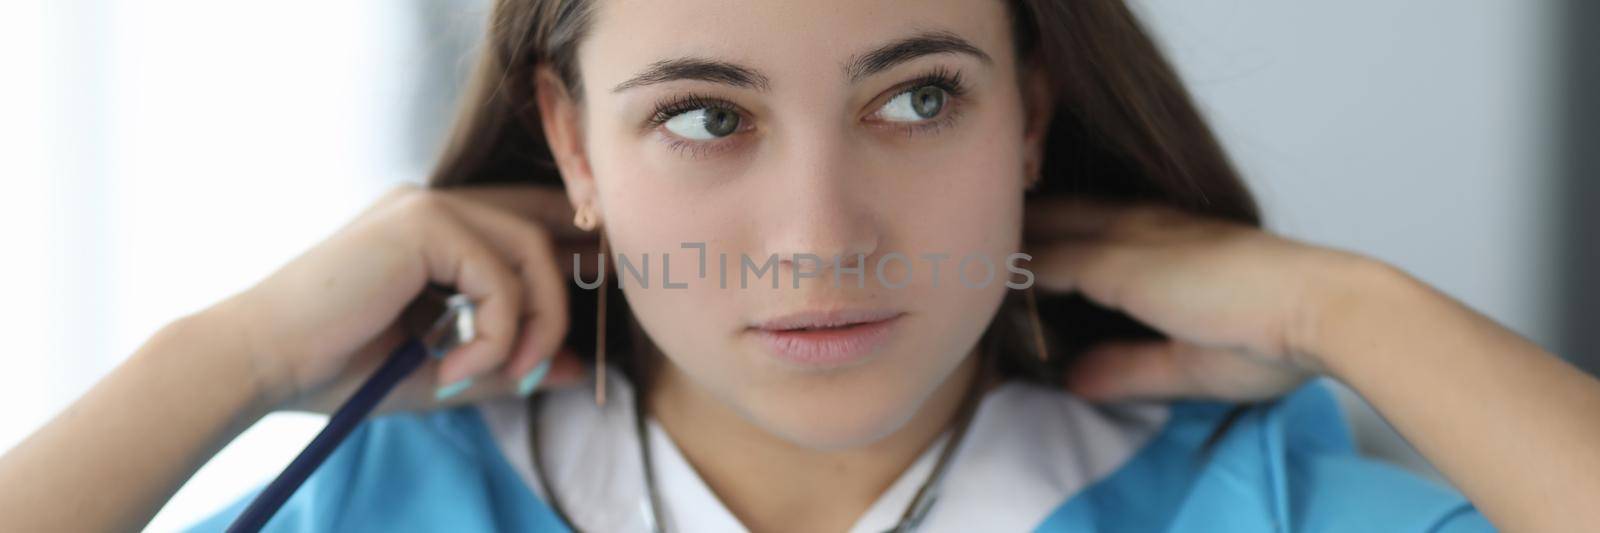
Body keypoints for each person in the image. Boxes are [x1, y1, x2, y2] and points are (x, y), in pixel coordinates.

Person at [3, 0, 1598, 531]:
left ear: (1030, 113)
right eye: (705, 114)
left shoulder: (1243, 499)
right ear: (568, 139)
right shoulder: (384, 500)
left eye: (918, 98)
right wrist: (230, 358)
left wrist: (1349, 306)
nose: (823, 232)